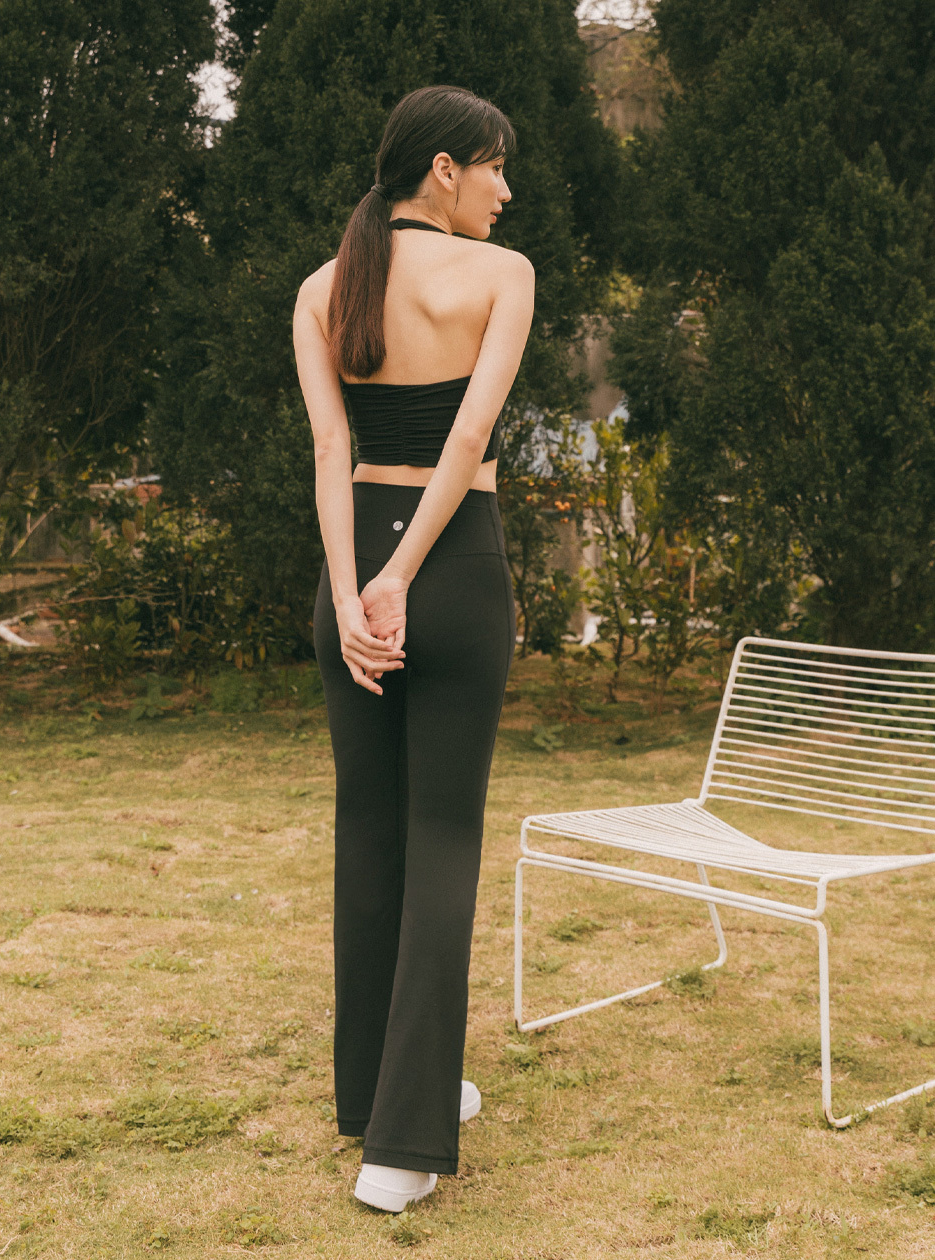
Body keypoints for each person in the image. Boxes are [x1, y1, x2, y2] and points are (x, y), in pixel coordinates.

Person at [293, 84, 534, 1215]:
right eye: (494, 166)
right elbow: (470, 435)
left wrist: (352, 593)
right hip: (453, 567)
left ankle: (377, 1096)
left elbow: (330, 449)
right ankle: (402, 1146)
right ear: (444, 169)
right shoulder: (501, 275)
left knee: (370, 834)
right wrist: (400, 581)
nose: (503, 190)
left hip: (354, 577)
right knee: (441, 840)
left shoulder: (322, 287)